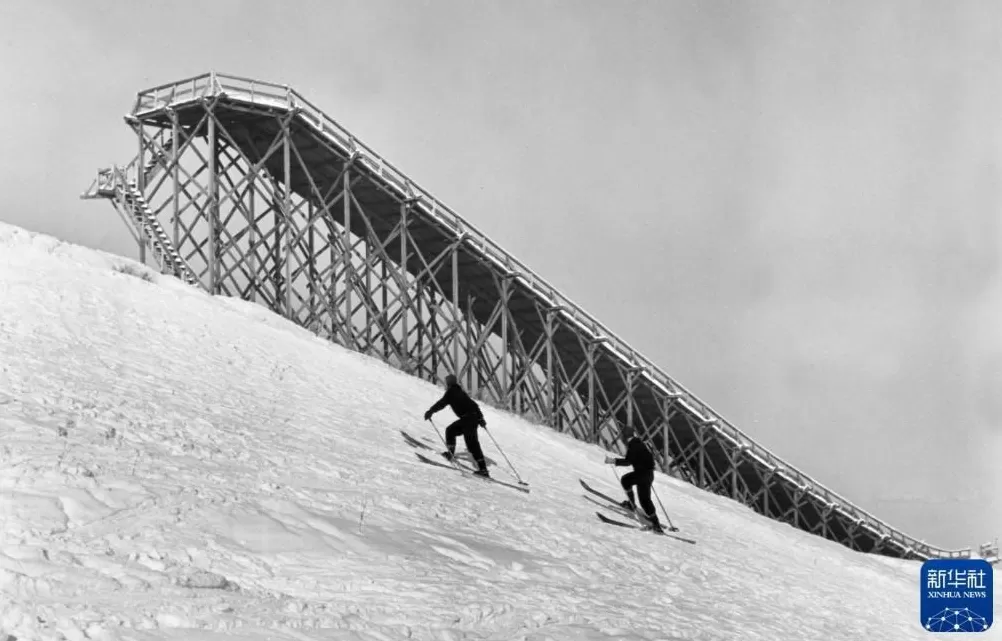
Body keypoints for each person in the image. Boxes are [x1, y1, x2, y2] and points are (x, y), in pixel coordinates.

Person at [424, 374, 490, 477]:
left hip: (468, 419)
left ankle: (483, 470)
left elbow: (441, 403)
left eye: (447, 382)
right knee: (451, 431)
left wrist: (430, 411)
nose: (446, 384)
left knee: (471, 444)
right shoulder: (460, 392)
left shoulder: (451, 392)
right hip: (471, 419)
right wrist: (481, 419)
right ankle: (452, 455)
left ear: (449, 383)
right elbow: (474, 405)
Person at [604, 424, 664, 533]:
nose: (621, 439)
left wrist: (612, 461)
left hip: (641, 474)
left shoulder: (633, 445)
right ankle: (656, 523)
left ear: (625, 437)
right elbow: (650, 459)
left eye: (622, 437)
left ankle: (632, 505)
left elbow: (628, 461)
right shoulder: (639, 443)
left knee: (627, 482)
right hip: (648, 474)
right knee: (645, 499)